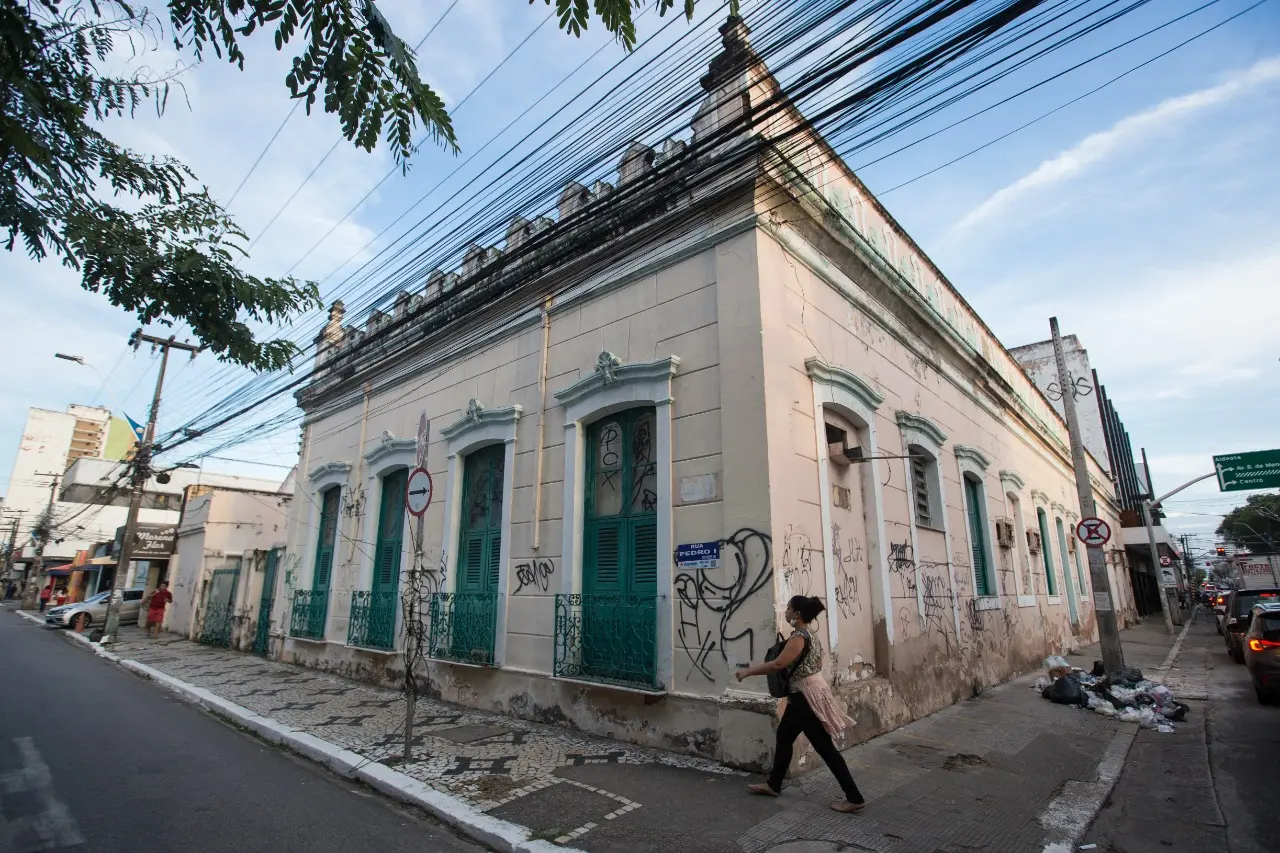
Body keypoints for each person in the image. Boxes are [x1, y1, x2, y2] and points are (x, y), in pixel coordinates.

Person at [735, 595, 864, 813]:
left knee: (825, 748)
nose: (785, 612)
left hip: (805, 697)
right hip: (806, 693)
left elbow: (778, 664)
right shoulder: (811, 635)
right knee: (784, 736)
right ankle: (773, 784)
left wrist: (748, 671)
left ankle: (854, 797)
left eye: (788, 609)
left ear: (797, 614)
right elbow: (819, 662)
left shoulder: (798, 638)